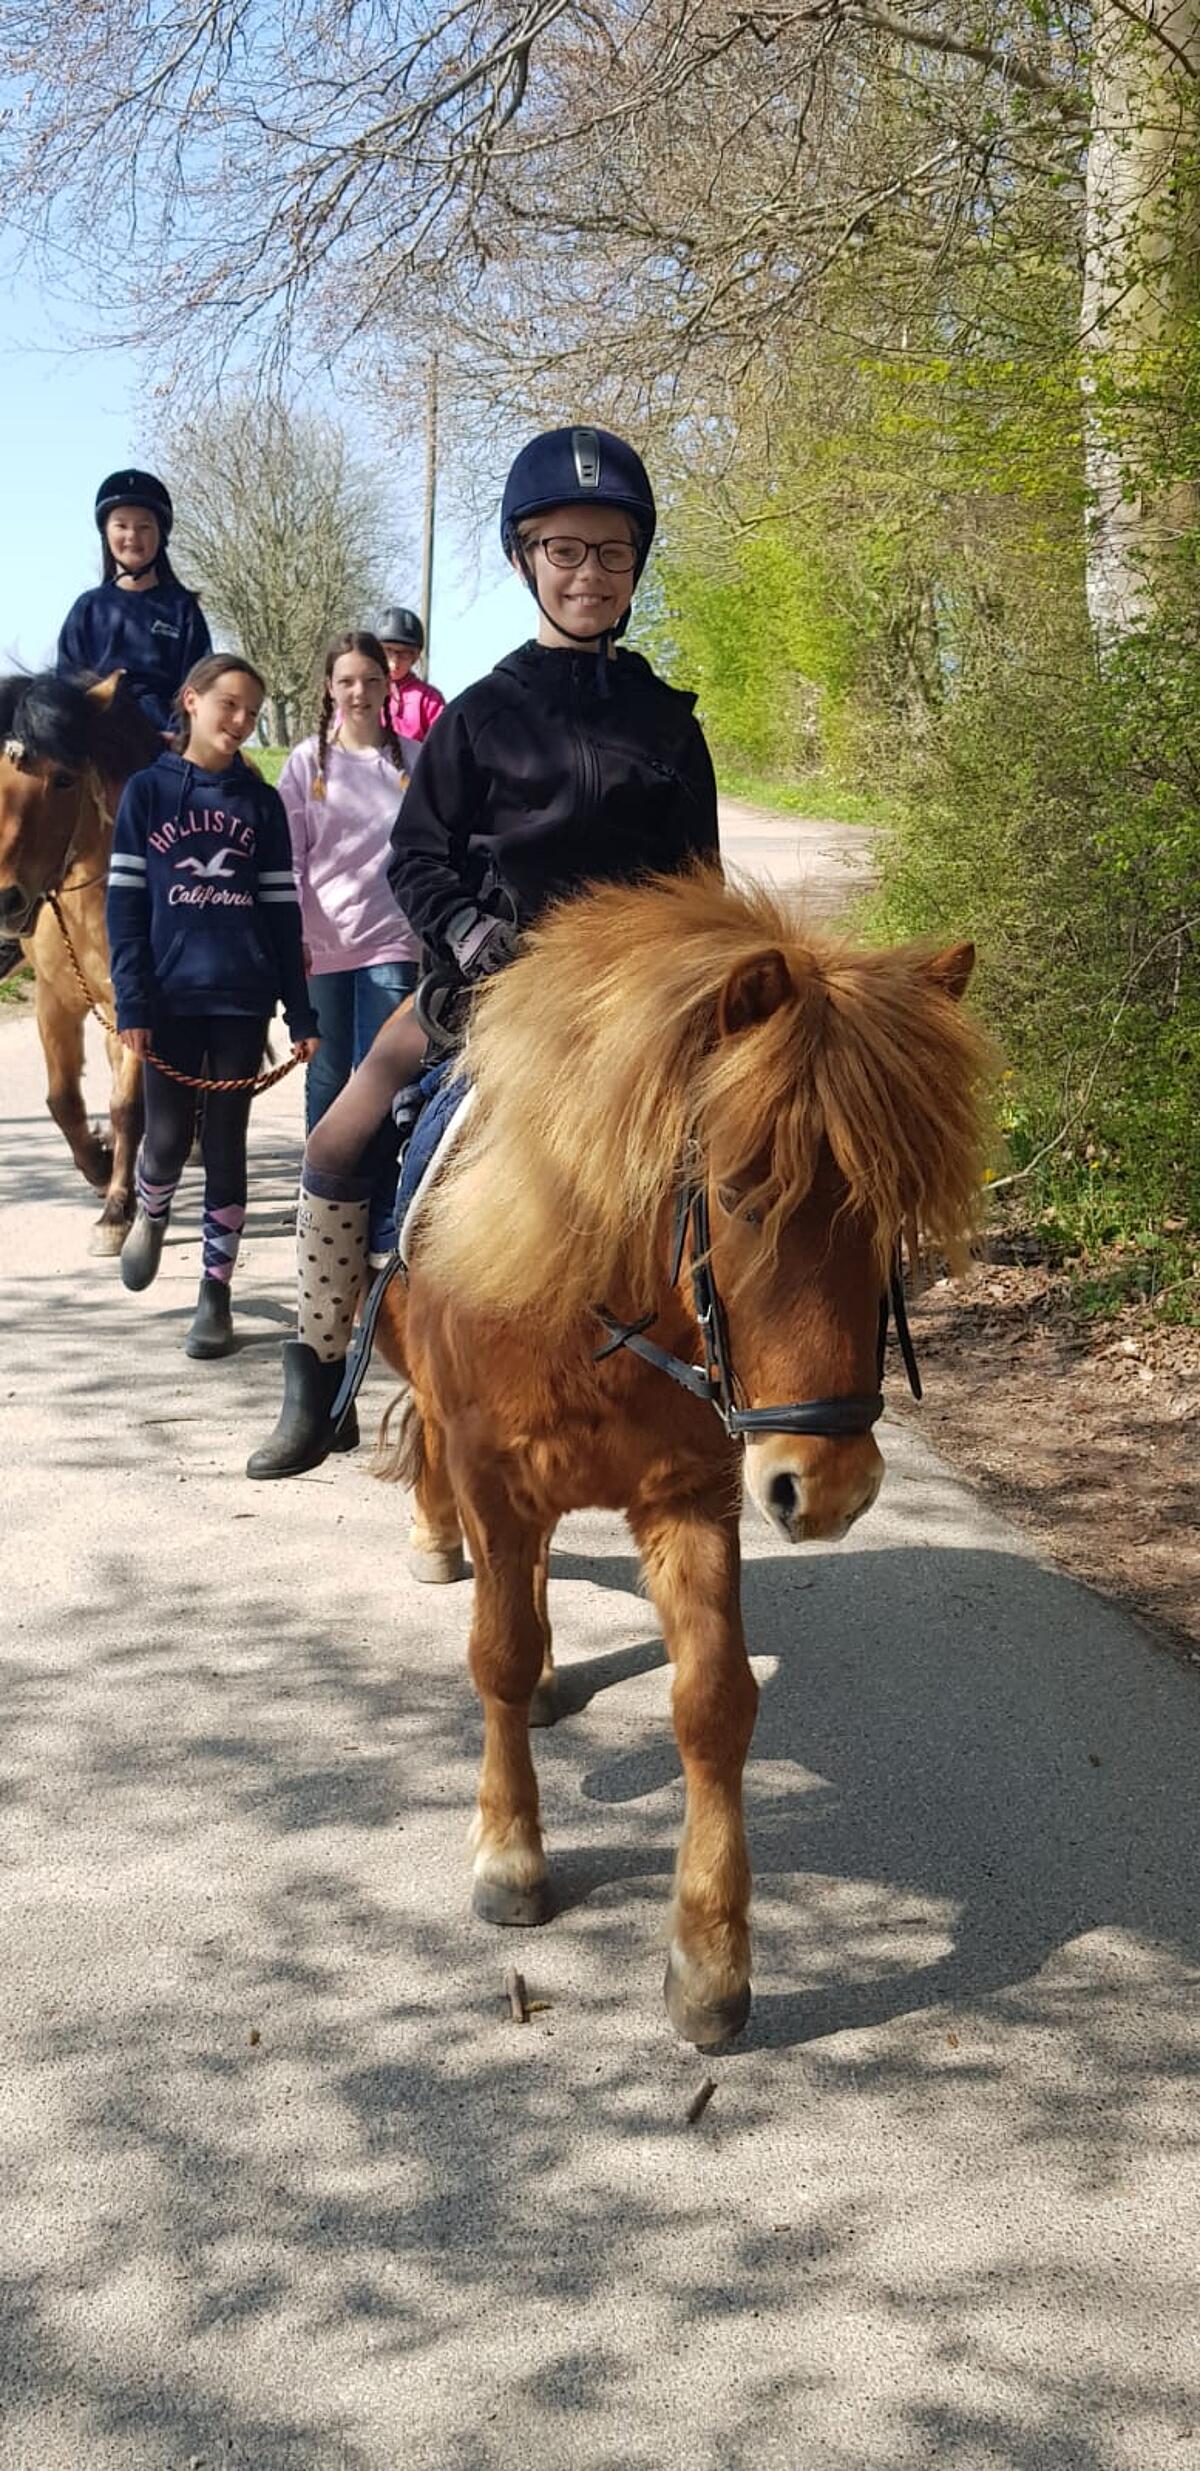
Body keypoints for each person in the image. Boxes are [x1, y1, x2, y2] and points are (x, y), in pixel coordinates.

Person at [246, 423, 719, 1480]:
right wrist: (468, 931)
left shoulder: (671, 725)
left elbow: (705, 885)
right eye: (565, 551)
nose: (588, 574)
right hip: (488, 990)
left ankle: (753, 1367)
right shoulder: (480, 718)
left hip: (633, 1009)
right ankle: (321, 1371)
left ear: (636, 562)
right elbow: (415, 860)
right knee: (337, 1141)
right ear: (526, 561)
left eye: (610, 552)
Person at [107, 653, 320, 1361]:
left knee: (226, 1147)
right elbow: (126, 907)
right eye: (228, 704)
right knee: (165, 1140)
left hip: (240, 998)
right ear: (190, 701)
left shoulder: (260, 806)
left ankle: (215, 1293)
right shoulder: (146, 793)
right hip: (168, 999)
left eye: (252, 712)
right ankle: (152, 1208)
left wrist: (302, 1013)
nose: (240, 721)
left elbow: (283, 916)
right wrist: (134, 997)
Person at [279, 631, 421, 1263]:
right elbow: (288, 857)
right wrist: (293, 939)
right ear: (329, 689)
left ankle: (382, 1209)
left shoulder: (414, 762)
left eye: (369, 679)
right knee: (330, 1077)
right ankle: (325, 1203)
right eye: (346, 681)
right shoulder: (307, 764)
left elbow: (428, 853)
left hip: (393, 942)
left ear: (387, 684)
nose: (358, 691)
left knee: (383, 1079)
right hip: (323, 946)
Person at [57, 470, 212, 736]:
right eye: (121, 526)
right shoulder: (87, 609)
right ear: (106, 533)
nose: (132, 536)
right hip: (98, 734)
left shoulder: (182, 608)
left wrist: (178, 732)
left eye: (144, 527)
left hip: (164, 736)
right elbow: (67, 682)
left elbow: (201, 682)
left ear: (160, 536)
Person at [375, 607, 446, 743]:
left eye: (404, 654)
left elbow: (442, 746)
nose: (394, 662)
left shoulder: (430, 700)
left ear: (415, 657)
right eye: (388, 651)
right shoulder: (363, 692)